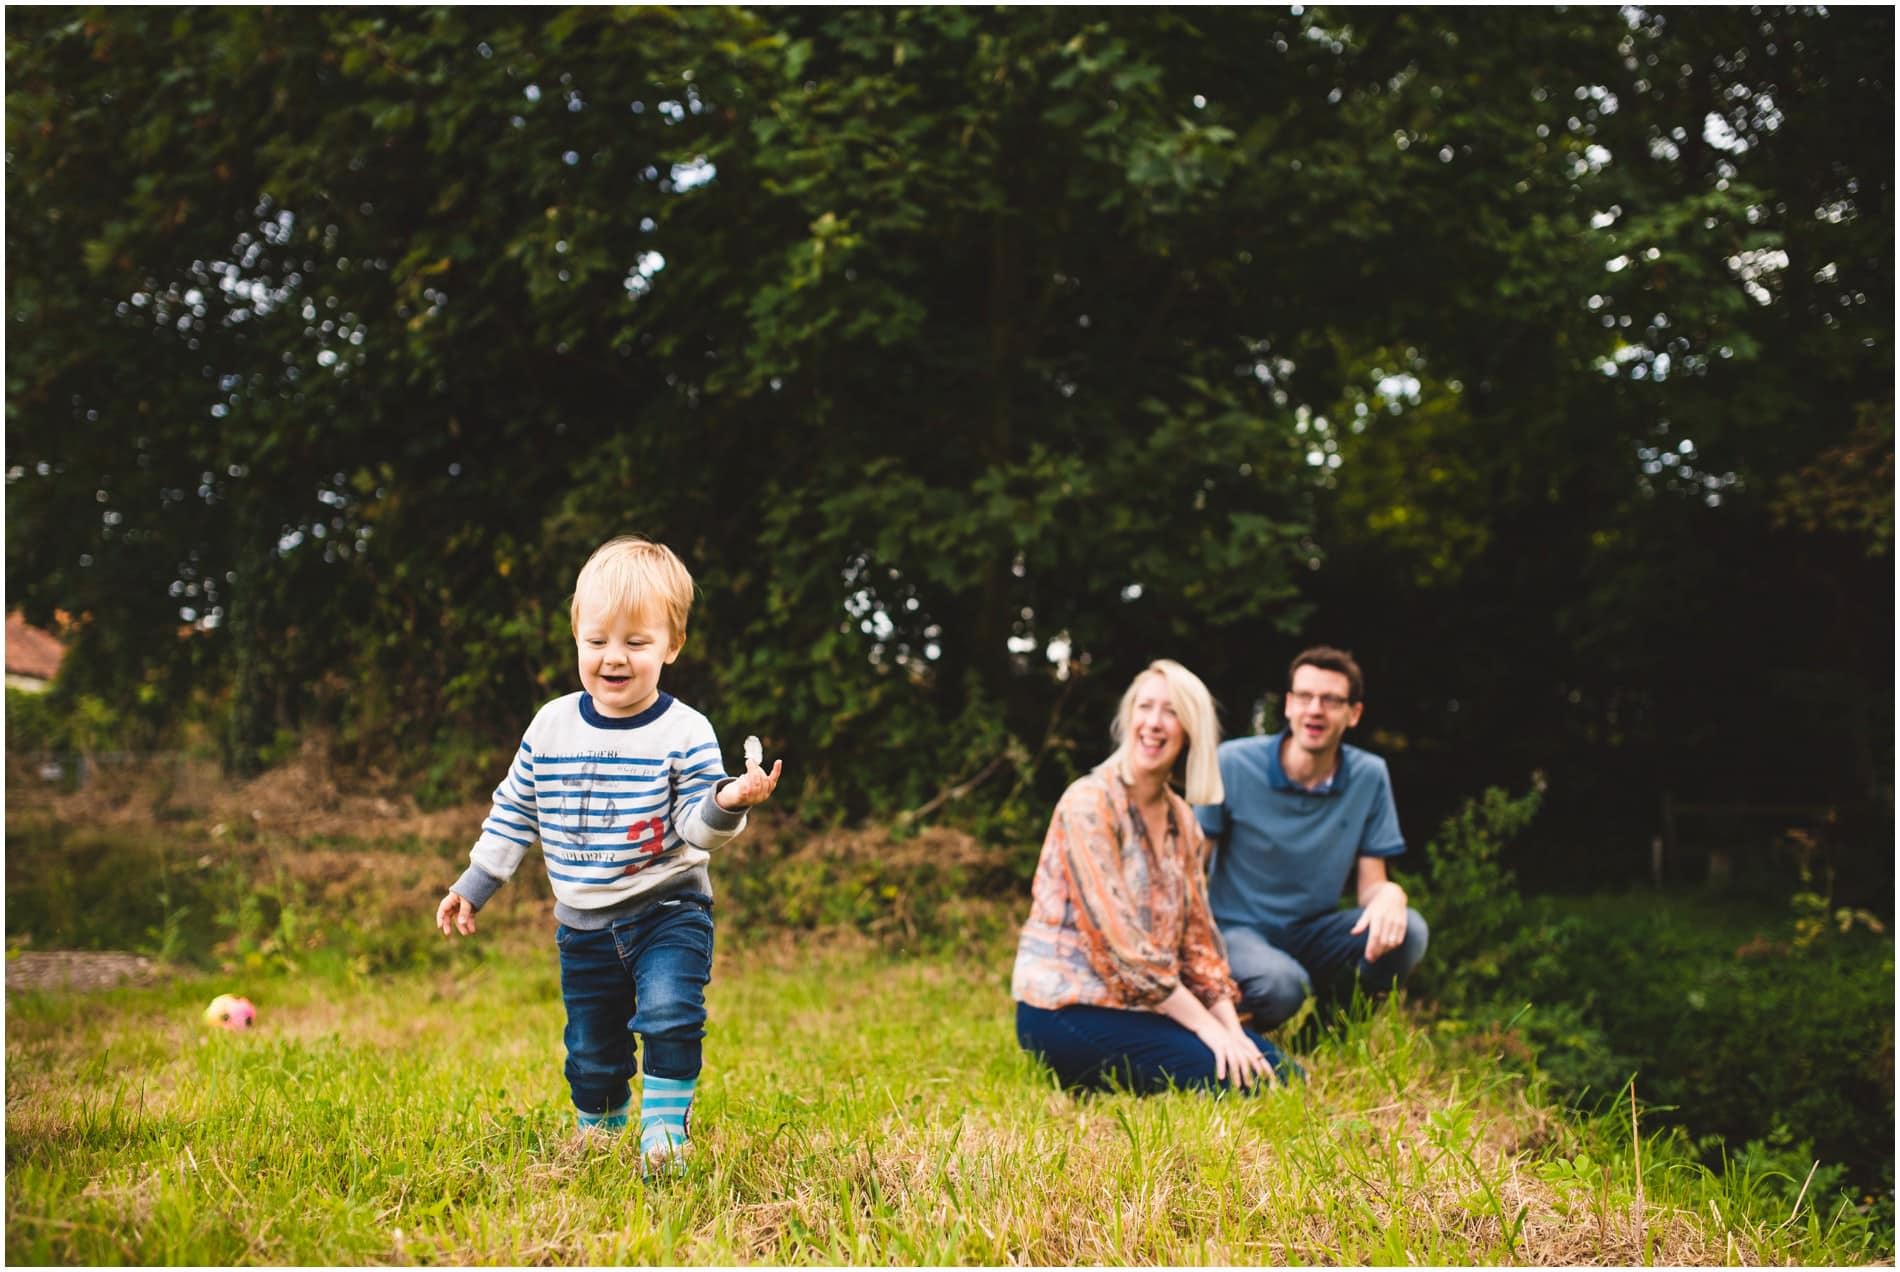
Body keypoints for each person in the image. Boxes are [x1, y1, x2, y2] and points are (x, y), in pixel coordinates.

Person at [434, 535, 782, 1170]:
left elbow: (695, 827)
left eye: (636, 643)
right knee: (593, 1053)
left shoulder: (686, 731)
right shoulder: (551, 726)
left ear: (671, 646)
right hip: (583, 924)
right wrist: (475, 882)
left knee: (672, 1013)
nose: (613, 658)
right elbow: (516, 810)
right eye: (597, 642)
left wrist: (729, 802)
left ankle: (665, 1135)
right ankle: (599, 1132)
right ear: (576, 638)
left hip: (669, 910)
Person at [1012, 659, 1296, 1095]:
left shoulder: (1183, 820)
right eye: (1145, 707)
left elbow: (1199, 942)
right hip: (1064, 1008)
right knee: (1244, 1084)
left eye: (1171, 711)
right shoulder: (1089, 803)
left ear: (1190, 730)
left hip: (1145, 1007)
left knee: (1280, 1073)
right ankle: (1087, 1070)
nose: (1154, 723)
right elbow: (1120, 949)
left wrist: (1231, 1031)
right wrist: (1207, 1029)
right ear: (1129, 719)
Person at [1194, 645, 1428, 1030]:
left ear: (1354, 714)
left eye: (1331, 700)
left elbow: (1373, 884)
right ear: (1288, 705)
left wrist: (1391, 894)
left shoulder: (1370, 776)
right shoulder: (1233, 763)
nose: (1315, 709)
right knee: (1283, 985)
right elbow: (1190, 864)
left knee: (1410, 930)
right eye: (1305, 696)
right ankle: (1227, 1030)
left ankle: (1327, 1033)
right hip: (1235, 931)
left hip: (1314, 932)